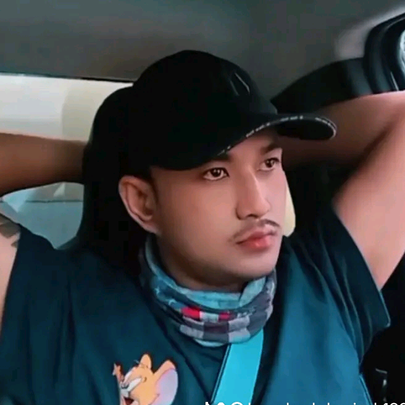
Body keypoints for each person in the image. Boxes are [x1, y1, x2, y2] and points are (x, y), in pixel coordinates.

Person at [0, 49, 404, 405]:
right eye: (215, 172)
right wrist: (103, 164)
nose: (258, 204)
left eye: (269, 165)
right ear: (143, 202)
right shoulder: (60, 313)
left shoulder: (325, 283)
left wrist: (262, 143)